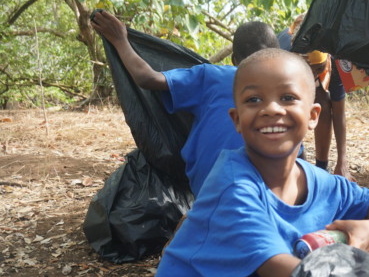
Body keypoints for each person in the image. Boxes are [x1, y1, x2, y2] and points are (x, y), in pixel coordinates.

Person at [137, 49, 369, 277]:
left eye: (287, 97)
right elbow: (283, 276)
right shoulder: (233, 188)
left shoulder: (317, 181)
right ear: (236, 120)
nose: (272, 109)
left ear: (313, 116)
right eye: (254, 100)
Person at [90, 10, 279, 197]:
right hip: (267, 190)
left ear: (233, 60)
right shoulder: (286, 92)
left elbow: (146, 78)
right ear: (278, 57)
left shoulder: (212, 75)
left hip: (208, 189)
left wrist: (120, 40)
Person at [278, 14, 353, 180]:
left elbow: (339, 113)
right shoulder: (280, 56)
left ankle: (321, 167)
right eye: (308, 69)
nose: (313, 73)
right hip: (285, 82)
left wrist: (342, 161)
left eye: (318, 68)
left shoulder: (336, 60)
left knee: (323, 104)